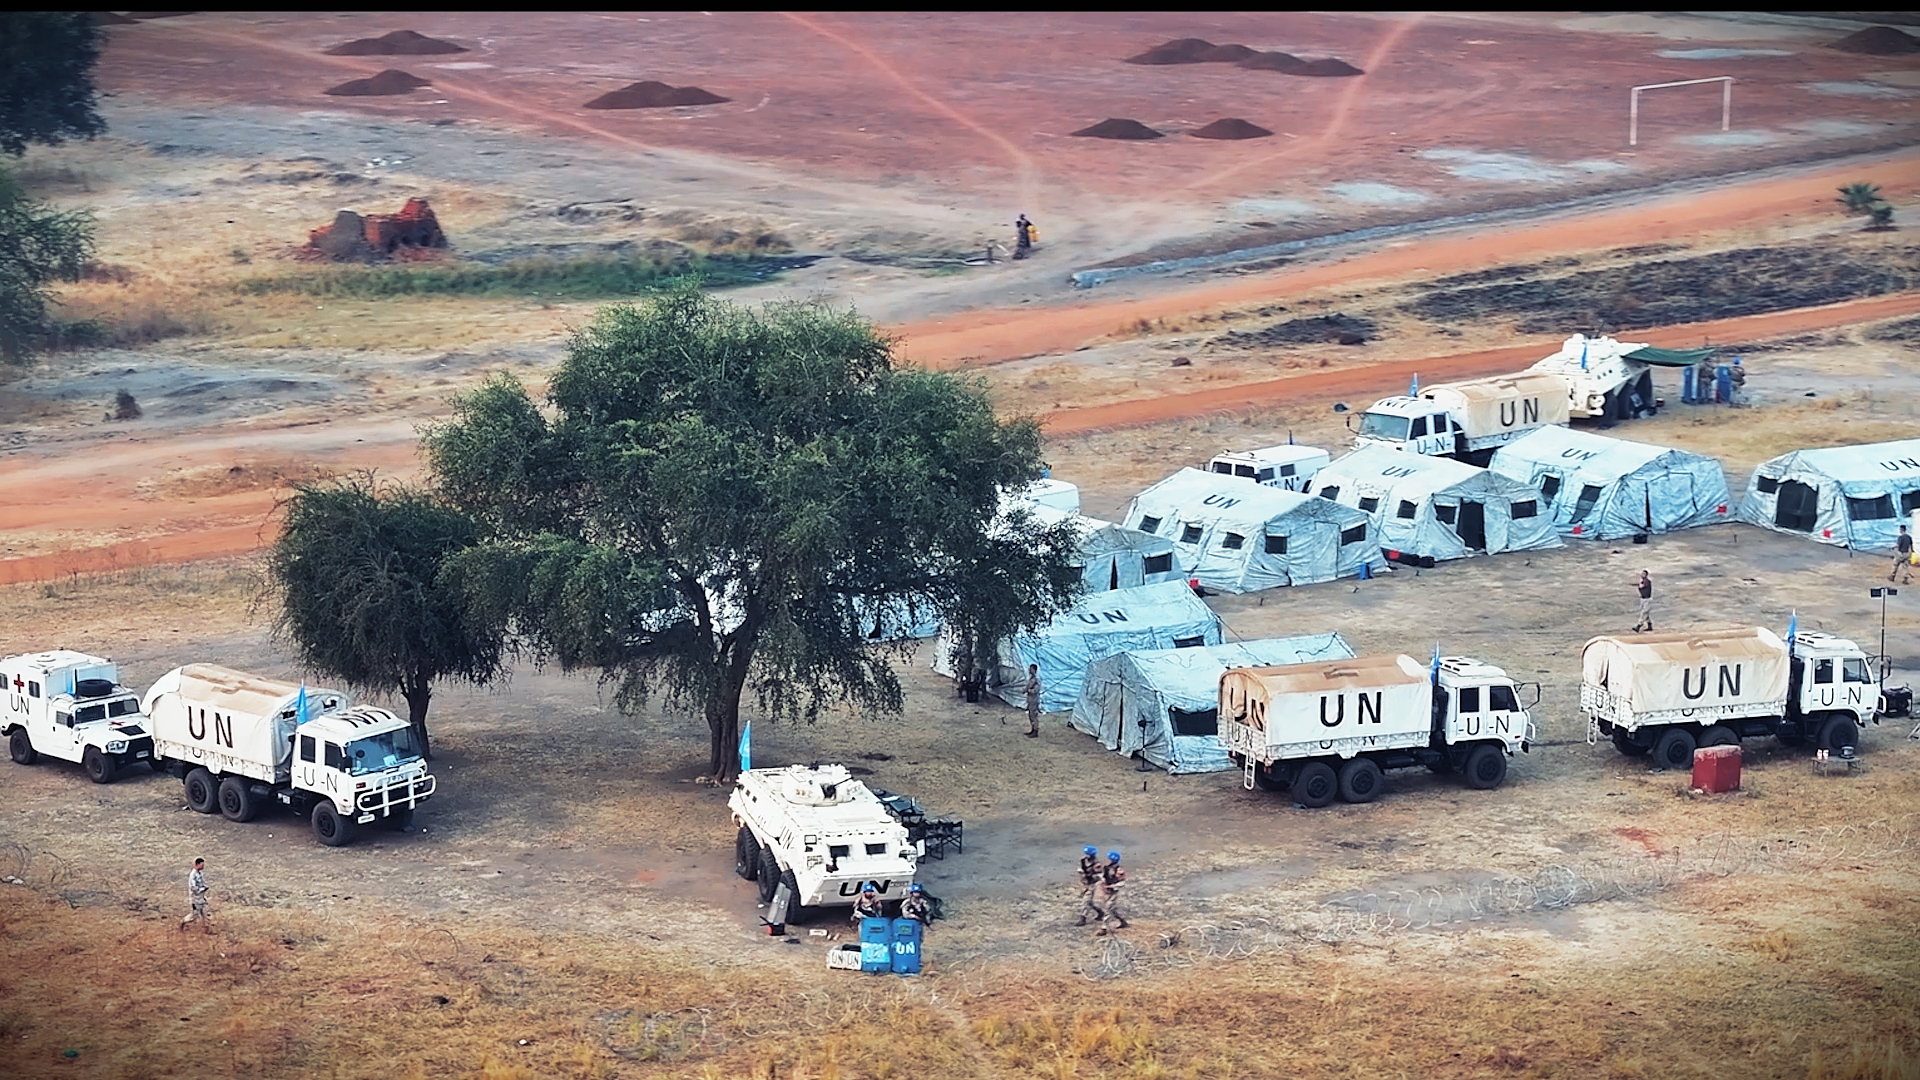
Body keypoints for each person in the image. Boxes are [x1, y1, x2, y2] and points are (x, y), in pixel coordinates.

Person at [1097, 850, 1129, 932]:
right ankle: (1122, 921)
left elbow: (1122, 882)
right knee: (1112, 909)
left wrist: (1113, 886)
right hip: (1105, 890)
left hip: (1113, 891)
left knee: (1108, 908)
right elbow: (1103, 875)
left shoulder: (1118, 870)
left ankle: (1104, 927)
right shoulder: (1106, 867)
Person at [182, 857, 211, 933]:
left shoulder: (199, 874)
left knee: (205, 913)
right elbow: (193, 887)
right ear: (197, 865)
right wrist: (202, 889)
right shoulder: (193, 875)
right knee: (194, 916)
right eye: (202, 865)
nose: (203, 866)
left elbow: (202, 883)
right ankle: (183, 922)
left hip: (201, 897)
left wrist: (204, 888)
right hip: (195, 899)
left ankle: (206, 930)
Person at [1024, 664, 1041, 738]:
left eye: (1031, 669)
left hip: (1034, 700)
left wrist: (1029, 690)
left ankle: (1035, 731)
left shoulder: (1036, 680)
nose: (1029, 670)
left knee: (1034, 716)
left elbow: (1035, 690)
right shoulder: (1031, 678)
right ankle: (1032, 729)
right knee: (1030, 715)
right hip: (1030, 700)